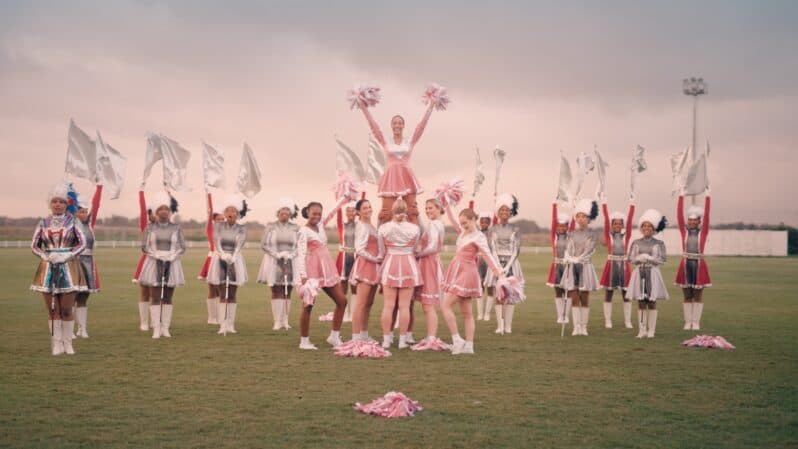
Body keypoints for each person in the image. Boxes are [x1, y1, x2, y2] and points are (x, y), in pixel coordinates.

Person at [355, 96, 435, 224]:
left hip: (407, 177)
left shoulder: (410, 141)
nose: (397, 125)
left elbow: (421, 126)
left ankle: (414, 243)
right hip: (391, 178)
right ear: (391, 126)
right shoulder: (385, 141)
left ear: (403, 125)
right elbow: (373, 125)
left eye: (400, 123)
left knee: (412, 213)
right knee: (386, 213)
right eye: (394, 123)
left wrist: (431, 106)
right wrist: (363, 107)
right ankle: (382, 242)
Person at [30, 182, 87, 355]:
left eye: (61, 201)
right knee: (53, 309)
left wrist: (67, 255)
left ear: (66, 204)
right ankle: (56, 343)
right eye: (55, 201)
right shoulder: (42, 222)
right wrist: (45, 256)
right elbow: (34, 245)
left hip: (69, 267)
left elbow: (82, 243)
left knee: (67, 309)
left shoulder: (74, 221)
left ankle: (68, 343)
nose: (58, 204)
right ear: (50, 203)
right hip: (47, 268)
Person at [440, 207, 503, 355]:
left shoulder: (478, 236)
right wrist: (446, 203)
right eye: (461, 223)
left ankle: (457, 340)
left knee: (445, 305)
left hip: (467, 274)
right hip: (459, 271)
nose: (463, 226)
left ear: (474, 220)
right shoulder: (463, 232)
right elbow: (454, 220)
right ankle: (469, 346)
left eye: (466, 223)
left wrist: (498, 272)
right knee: (467, 312)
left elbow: (487, 255)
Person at [295, 201, 349, 350]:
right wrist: (303, 276)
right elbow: (300, 254)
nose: (317, 216)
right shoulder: (303, 231)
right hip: (311, 270)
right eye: (314, 213)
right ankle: (304, 341)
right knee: (308, 306)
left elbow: (333, 210)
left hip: (326, 270)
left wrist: (345, 197)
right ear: (308, 212)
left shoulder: (320, 225)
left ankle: (334, 336)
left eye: (319, 213)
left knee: (342, 301)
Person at [138, 192, 185, 339]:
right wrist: (156, 255)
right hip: (153, 262)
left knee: (168, 297)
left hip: (172, 262)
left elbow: (182, 246)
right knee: (155, 296)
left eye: (167, 209)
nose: (164, 211)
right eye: (161, 209)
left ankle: (165, 327)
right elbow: (144, 247)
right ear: (156, 211)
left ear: (170, 211)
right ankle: (156, 328)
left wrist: (172, 255)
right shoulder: (150, 227)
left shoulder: (176, 228)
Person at [378, 199, 422, 348]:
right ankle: (403, 341)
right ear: (406, 211)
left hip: (390, 264)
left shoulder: (383, 228)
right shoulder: (415, 229)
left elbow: (382, 252)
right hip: (409, 265)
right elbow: (415, 249)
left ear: (392, 210)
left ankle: (386, 340)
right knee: (405, 306)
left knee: (388, 305)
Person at [257, 198, 300, 330]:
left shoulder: (296, 228)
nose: (285, 212)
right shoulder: (270, 226)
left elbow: (300, 245)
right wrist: (277, 255)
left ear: (290, 213)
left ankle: (285, 320)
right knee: (276, 290)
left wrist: (291, 255)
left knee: (288, 291)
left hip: (291, 262)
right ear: (278, 212)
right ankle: (277, 321)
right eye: (282, 210)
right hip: (274, 261)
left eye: (287, 210)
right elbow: (263, 245)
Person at [208, 195, 248, 335]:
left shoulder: (241, 228)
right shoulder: (218, 226)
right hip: (220, 259)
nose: (231, 213)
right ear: (224, 214)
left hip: (235, 259)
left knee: (232, 292)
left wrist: (234, 256)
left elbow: (240, 243)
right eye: (228, 211)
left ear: (237, 214)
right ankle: (222, 324)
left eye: (234, 211)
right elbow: (216, 241)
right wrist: (222, 254)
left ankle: (230, 324)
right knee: (222, 292)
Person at [484, 194, 524, 334]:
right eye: (502, 210)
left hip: (511, 264)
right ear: (497, 212)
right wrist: (498, 267)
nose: (504, 213)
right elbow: (492, 249)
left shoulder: (516, 230)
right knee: (498, 294)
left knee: (510, 295)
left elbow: (516, 250)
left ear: (511, 212)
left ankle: (508, 326)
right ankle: (500, 326)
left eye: (507, 210)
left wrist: (507, 267)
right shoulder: (492, 229)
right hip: (496, 265)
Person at [626, 209, 668, 338]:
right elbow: (630, 258)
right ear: (641, 227)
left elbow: (663, 259)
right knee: (641, 301)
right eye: (644, 226)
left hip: (653, 272)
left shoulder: (659, 243)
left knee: (651, 301)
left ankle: (651, 330)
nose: (646, 228)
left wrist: (650, 259)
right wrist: (638, 259)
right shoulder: (636, 242)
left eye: (649, 226)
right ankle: (642, 329)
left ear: (654, 228)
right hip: (639, 272)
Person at [560, 198, 598, 336]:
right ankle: (576, 327)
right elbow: (568, 248)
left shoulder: (592, 234)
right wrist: (568, 257)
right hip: (572, 267)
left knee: (585, 297)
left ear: (589, 219)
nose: (581, 219)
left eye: (584, 216)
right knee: (574, 295)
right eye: (579, 216)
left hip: (585, 266)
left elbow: (590, 250)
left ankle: (584, 326)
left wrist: (578, 259)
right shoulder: (571, 234)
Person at [412, 198, 447, 347]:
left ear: (439, 208)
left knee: (428, 305)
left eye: (430, 208)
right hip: (431, 263)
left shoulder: (434, 224)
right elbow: (424, 230)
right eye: (426, 208)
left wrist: (417, 255)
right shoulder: (437, 224)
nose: (428, 211)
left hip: (429, 264)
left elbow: (432, 246)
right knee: (428, 305)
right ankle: (430, 335)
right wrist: (418, 215)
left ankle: (431, 337)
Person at [348, 198, 384, 342]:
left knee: (369, 303)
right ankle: (356, 338)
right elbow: (360, 249)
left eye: (369, 207)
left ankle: (364, 335)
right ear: (358, 212)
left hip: (374, 268)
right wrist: (376, 260)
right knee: (361, 304)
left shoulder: (372, 226)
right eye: (364, 208)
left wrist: (381, 221)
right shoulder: (361, 226)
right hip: (366, 266)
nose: (368, 209)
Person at [675, 192, 712, 330]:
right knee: (687, 294)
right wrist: (681, 196)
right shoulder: (684, 232)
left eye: (694, 220)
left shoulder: (703, 232)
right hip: (685, 264)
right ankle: (687, 321)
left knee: (697, 294)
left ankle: (695, 322)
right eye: (689, 220)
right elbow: (679, 215)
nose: (691, 222)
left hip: (699, 264)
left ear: (699, 221)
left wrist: (708, 197)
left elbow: (707, 215)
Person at [598, 197, 635, 329]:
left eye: (620, 224)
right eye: (615, 224)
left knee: (626, 294)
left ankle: (627, 321)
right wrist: (604, 203)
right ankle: (608, 321)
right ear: (612, 225)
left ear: (623, 225)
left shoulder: (627, 235)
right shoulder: (609, 236)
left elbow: (630, 221)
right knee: (609, 294)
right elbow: (605, 220)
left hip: (624, 266)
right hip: (611, 265)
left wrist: (632, 205)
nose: (617, 226)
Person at [72, 183, 103, 338]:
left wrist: (99, 187)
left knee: (84, 297)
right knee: (71, 296)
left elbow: (96, 206)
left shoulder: (90, 224)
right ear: (75, 212)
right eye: (80, 211)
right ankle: (69, 329)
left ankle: (82, 329)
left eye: (85, 212)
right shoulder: (70, 224)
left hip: (89, 263)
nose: (84, 214)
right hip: (73, 263)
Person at [197, 191, 225, 325]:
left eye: (222, 219)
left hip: (224, 260)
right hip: (212, 259)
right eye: (218, 219)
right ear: (213, 220)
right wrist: (208, 194)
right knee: (212, 289)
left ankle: (220, 317)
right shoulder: (210, 229)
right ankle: (211, 317)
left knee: (221, 289)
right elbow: (210, 213)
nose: (220, 221)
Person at [132, 188, 157, 331]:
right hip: (147, 261)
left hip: (161, 263)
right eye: (151, 212)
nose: (154, 215)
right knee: (144, 292)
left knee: (156, 293)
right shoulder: (146, 226)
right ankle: (144, 322)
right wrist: (141, 192)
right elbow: (142, 209)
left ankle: (154, 321)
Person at [547, 201, 573, 325]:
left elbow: (573, 221)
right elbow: (553, 220)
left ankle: (565, 315)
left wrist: (573, 206)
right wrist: (554, 206)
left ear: (568, 227)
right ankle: (559, 316)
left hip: (568, 266)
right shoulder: (554, 237)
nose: (562, 228)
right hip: (557, 266)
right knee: (558, 291)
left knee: (567, 291)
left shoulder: (571, 236)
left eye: (564, 226)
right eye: (559, 226)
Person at [340, 203, 357, 322]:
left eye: (353, 211)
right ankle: (345, 313)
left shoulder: (359, 226)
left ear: (356, 213)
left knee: (354, 287)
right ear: (346, 213)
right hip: (345, 259)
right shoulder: (343, 226)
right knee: (343, 287)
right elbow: (341, 243)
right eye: (348, 211)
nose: (351, 213)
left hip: (356, 259)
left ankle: (353, 315)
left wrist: (347, 249)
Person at [475, 212, 492, 321]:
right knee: (480, 288)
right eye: (482, 222)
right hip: (479, 262)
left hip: (489, 262)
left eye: (486, 222)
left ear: (489, 223)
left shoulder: (492, 233)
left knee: (490, 288)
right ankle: (480, 314)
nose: (484, 224)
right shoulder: (476, 233)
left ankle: (487, 314)